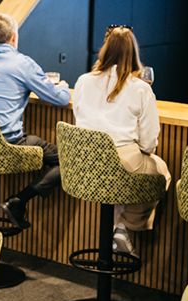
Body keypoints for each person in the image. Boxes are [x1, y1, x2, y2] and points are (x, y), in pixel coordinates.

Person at [73, 25, 171, 257]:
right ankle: (124, 226)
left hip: (82, 164)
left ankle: (117, 230)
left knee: (124, 177)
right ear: (133, 54)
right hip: (121, 161)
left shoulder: (83, 81)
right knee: (161, 173)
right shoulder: (140, 89)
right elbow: (148, 143)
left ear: (104, 50)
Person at [0, 13, 70, 229]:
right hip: (7, 145)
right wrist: (61, 87)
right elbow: (60, 99)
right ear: (14, 37)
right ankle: (19, 200)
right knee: (68, 158)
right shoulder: (22, 64)